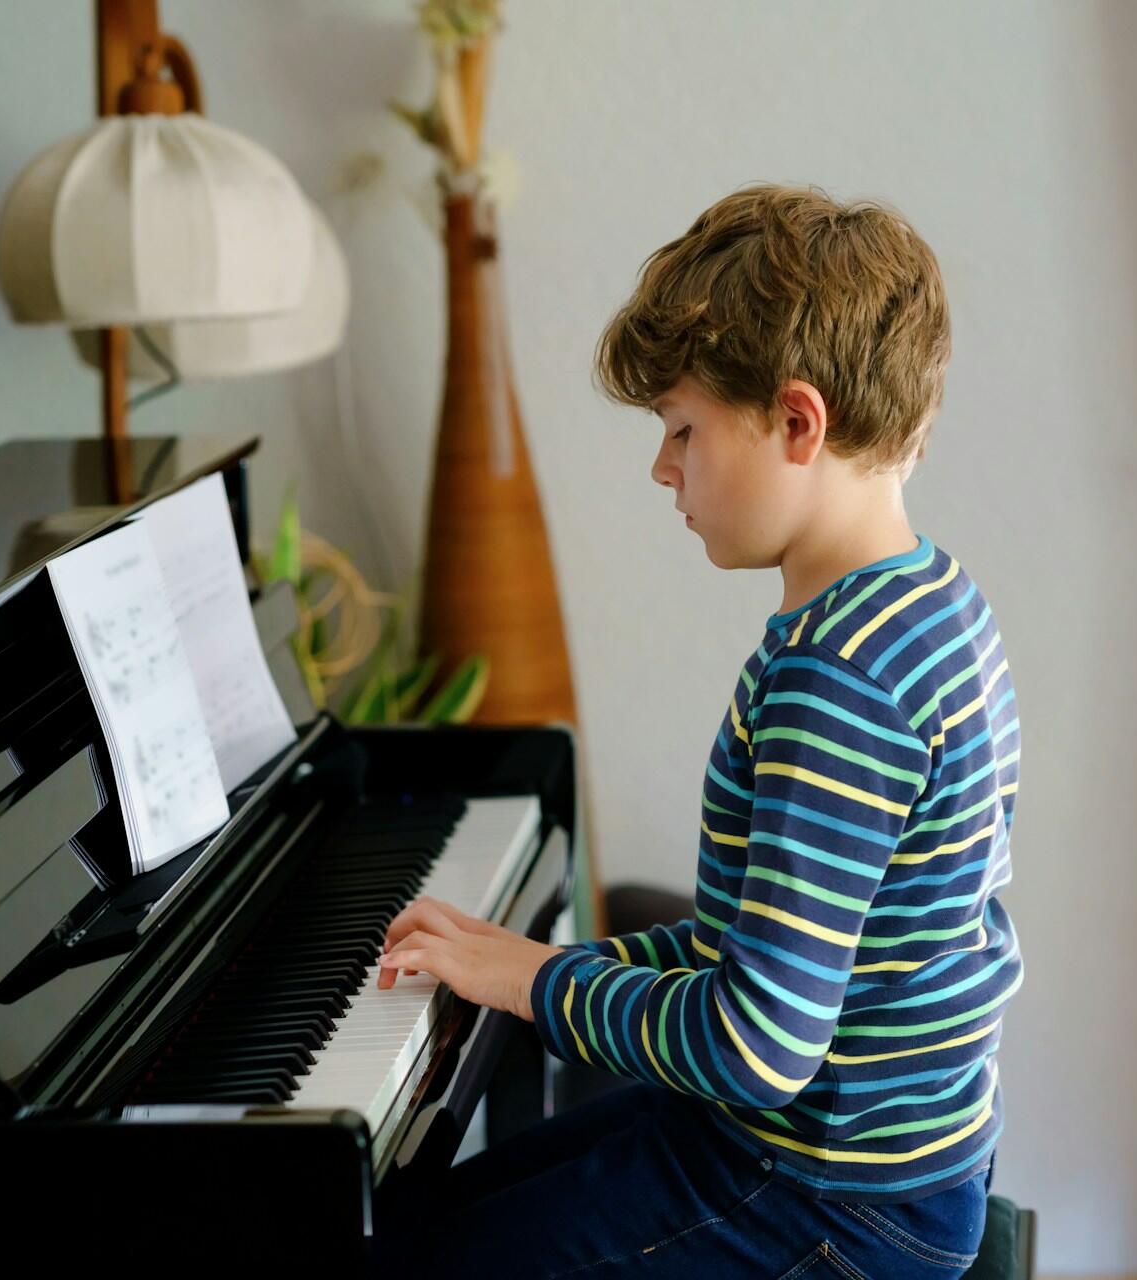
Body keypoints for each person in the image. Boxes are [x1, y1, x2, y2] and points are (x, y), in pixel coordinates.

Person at [370, 184, 1023, 1279]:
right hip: (855, 1154)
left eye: (682, 429)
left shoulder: (839, 678)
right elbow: (756, 952)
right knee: (418, 1219)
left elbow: (758, 1044)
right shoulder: (929, 601)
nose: (663, 466)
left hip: (830, 1195)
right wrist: (543, 965)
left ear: (798, 422)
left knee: (422, 1259)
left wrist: (537, 981)